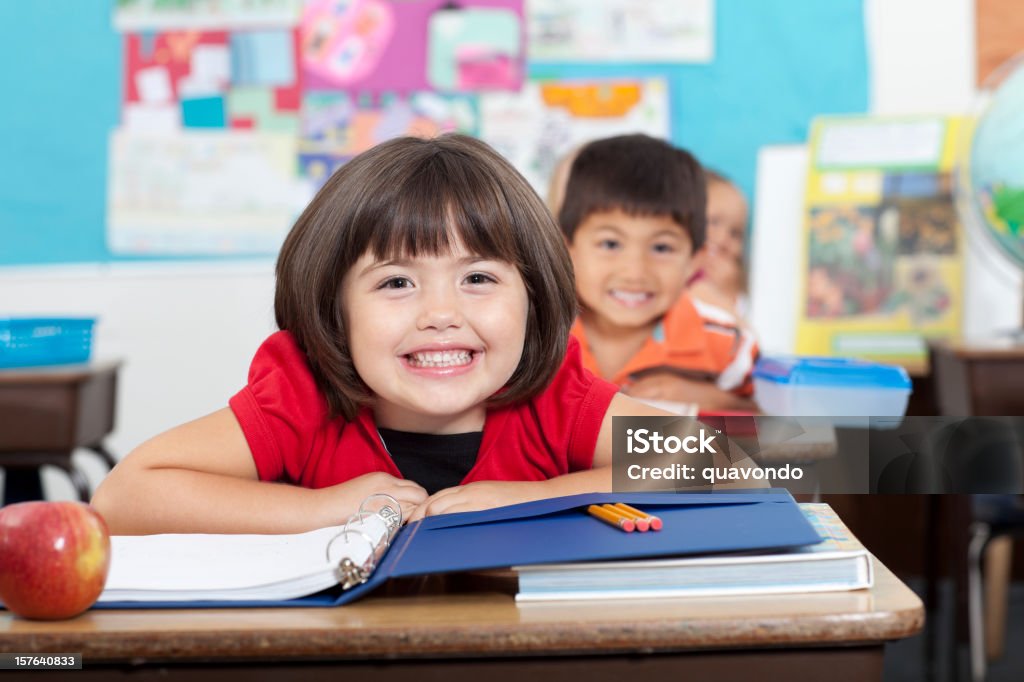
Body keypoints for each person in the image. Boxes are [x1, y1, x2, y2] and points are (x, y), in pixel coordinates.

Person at [92, 134, 697, 536]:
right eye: (396, 283)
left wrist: (532, 498)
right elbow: (122, 498)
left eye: (479, 277)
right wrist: (322, 509)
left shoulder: (554, 400)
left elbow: (759, 460)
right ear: (334, 308)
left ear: (535, 299)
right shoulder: (305, 397)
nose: (440, 313)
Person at [559, 135, 758, 412]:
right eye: (610, 244)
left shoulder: (728, 345)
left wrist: (712, 399)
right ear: (567, 249)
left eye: (662, 247)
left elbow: (775, 428)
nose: (635, 272)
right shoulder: (535, 338)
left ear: (693, 261)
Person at [688, 170, 751, 321]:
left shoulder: (735, 283)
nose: (723, 239)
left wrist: (728, 292)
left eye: (735, 233)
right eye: (714, 222)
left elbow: (742, 328)